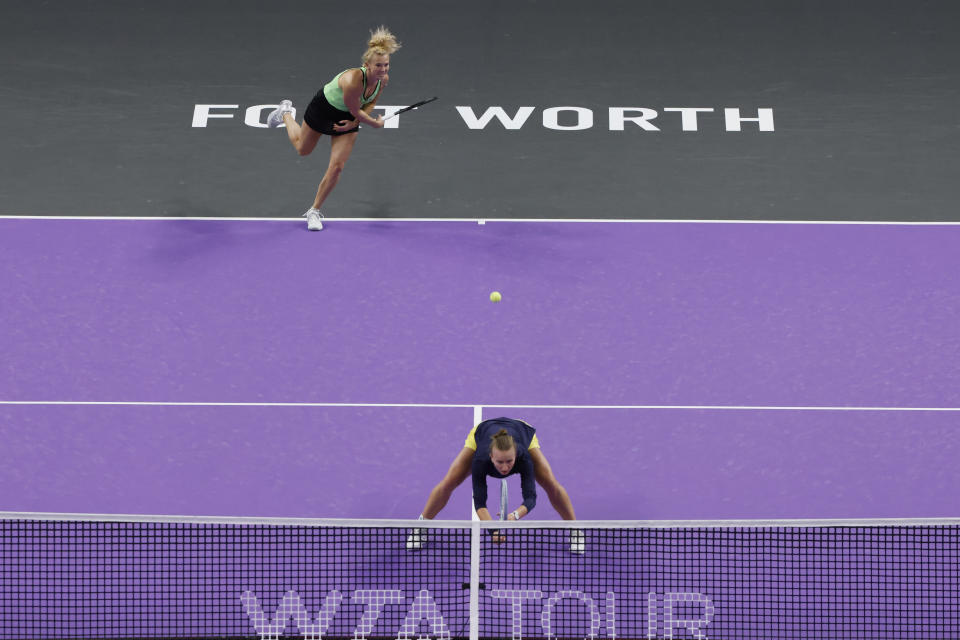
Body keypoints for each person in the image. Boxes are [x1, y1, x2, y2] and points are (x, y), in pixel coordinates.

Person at [265, 27, 400, 231]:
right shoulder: (353, 80)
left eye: (386, 65)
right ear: (367, 65)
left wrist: (355, 123)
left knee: (337, 167)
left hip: (349, 116)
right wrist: (374, 123)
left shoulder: (383, 81)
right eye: (378, 65)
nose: (383, 70)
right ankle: (285, 113)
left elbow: (368, 104)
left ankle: (314, 211)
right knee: (303, 149)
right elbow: (356, 108)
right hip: (324, 109)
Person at [407, 417, 584, 553]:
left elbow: (530, 498)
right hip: (482, 431)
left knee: (551, 483)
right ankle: (421, 525)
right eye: (500, 462)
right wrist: (493, 531)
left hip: (521, 430)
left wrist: (513, 517)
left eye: (509, 461)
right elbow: (480, 502)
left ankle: (575, 529)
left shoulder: (524, 459)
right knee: (449, 481)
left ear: (516, 456)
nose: (505, 467)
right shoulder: (480, 460)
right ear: (491, 457)